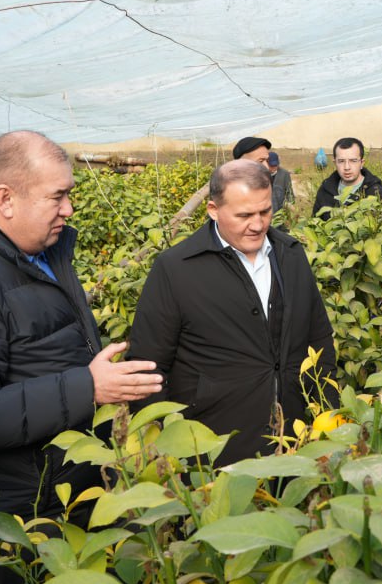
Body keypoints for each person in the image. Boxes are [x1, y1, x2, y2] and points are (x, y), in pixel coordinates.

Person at [0, 131, 163, 521]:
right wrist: (88, 386)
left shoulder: (42, 253)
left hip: (69, 486)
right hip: (23, 511)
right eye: (57, 196)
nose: (70, 209)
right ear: (6, 199)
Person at [128, 159, 337, 464]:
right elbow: (148, 366)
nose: (258, 224)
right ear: (213, 210)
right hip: (214, 449)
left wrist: (325, 417)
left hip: (293, 442)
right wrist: (161, 450)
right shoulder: (176, 270)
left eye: (265, 211)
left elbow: (318, 337)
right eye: (244, 215)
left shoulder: (290, 255)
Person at [312, 137, 382, 215]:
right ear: (335, 163)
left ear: (362, 163)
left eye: (353, 161)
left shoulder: (376, 192)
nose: (347, 167)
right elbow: (314, 222)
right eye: (341, 161)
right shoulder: (326, 190)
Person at [266, 150, 294, 215]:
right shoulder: (263, 174)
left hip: (280, 208)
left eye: (275, 165)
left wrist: (290, 203)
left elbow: (289, 191)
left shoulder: (284, 174)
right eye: (271, 166)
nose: (274, 168)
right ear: (266, 163)